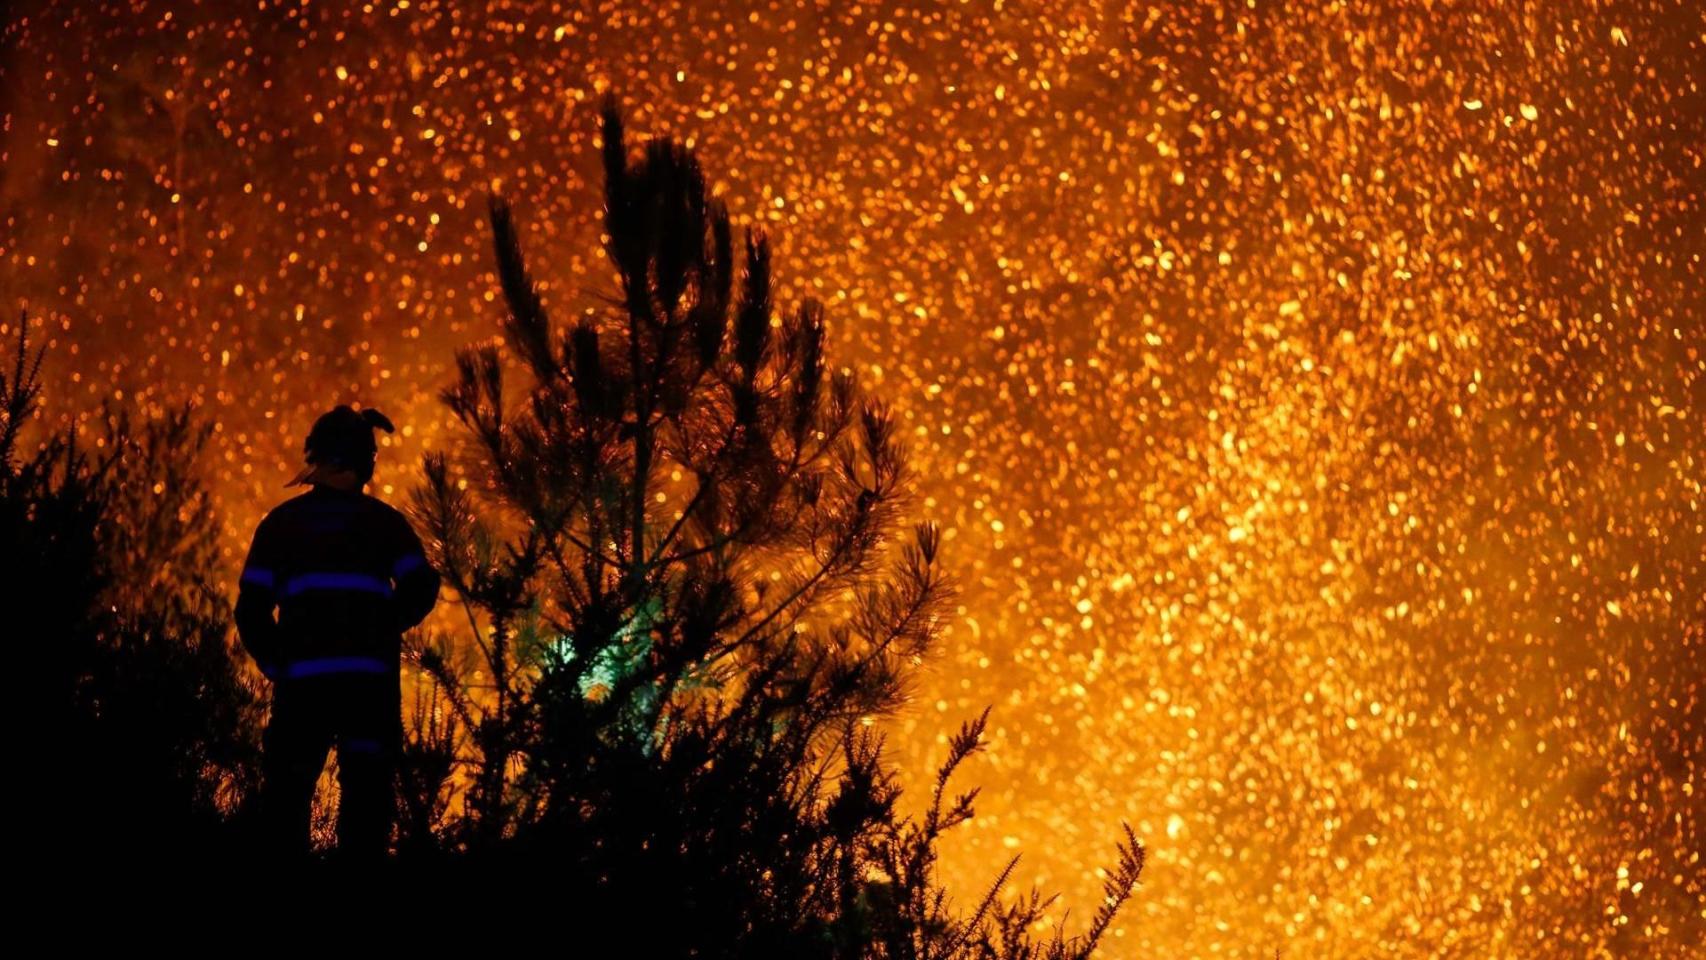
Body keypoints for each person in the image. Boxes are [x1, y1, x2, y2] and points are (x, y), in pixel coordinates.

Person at [235, 405, 440, 860]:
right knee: (367, 812)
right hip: (368, 693)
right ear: (365, 461)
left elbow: (250, 608)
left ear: (318, 456)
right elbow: (421, 585)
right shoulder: (384, 523)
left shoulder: (281, 524)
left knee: (287, 803)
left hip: (301, 691)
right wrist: (380, 632)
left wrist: (278, 664)